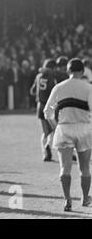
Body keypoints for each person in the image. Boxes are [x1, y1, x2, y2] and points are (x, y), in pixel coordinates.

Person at [44, 58, 92, 212]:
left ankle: (67, 200)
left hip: (64, 128)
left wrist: (55, 125)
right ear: (82, 72)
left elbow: (48, 111)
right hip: (84, 128)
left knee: (65, 168)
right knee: (84, 167)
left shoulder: (59, 87)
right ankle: (85, 198)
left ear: (68, 71)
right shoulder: (88, 88)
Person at [30, 59, 57, 161]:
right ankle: (48, 146)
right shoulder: (52, 77)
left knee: (45, 132)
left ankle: (45, 153)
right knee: (54, 129)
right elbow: (54, 92)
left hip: (40, 106)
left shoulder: (38, 76)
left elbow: (32, 91)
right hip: (49, 106)